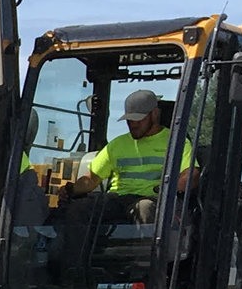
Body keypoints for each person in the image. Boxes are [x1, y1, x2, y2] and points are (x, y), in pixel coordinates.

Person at [74, 88, 193, 222]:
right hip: (118, 200)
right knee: (80, 208)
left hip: (152, 199)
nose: (133, 125)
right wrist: (70, 191)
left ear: (154, 114)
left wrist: (169, 188)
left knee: (145, 208)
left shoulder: (176, 142)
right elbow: (91, 179)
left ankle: (152, 243)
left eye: (138, 120)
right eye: (129, 120)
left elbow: (190, 175)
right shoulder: (117, 144)